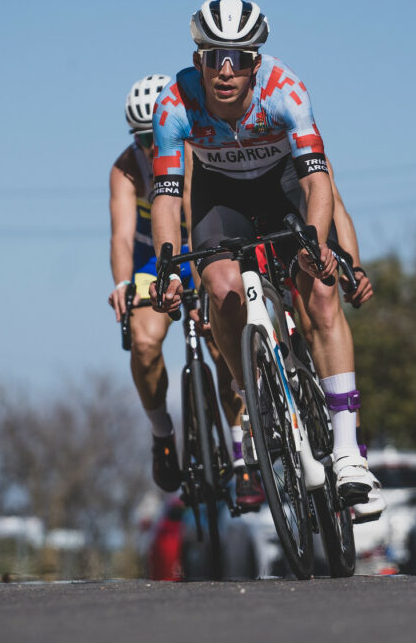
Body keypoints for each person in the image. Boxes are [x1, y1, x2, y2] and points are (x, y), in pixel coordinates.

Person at [147, 0, 383, 519]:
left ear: (257, 61)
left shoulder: (287, 91)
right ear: (197, 59)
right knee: (221, 288)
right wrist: (167, 266)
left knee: (320, 294)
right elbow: (165, 194)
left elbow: (318, 182)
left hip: (283, 188)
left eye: (239, 57)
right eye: (213, 58)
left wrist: (316, 245)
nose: (225, 71)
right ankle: (254, 394)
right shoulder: (174, 103)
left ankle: (347, 451)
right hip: (220, 195)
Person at [108, 74, 264, 507]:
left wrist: (201, 288)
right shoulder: (125, 168)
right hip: (150, 260)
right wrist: (123, 284)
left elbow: (200, 218)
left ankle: (242, 452)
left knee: (221, 340)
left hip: (198, 249)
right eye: (142, 139)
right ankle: (162, 434)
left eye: (155, 135)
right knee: (143, 341)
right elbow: (122, 237)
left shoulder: (192, 149)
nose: (150, 147)